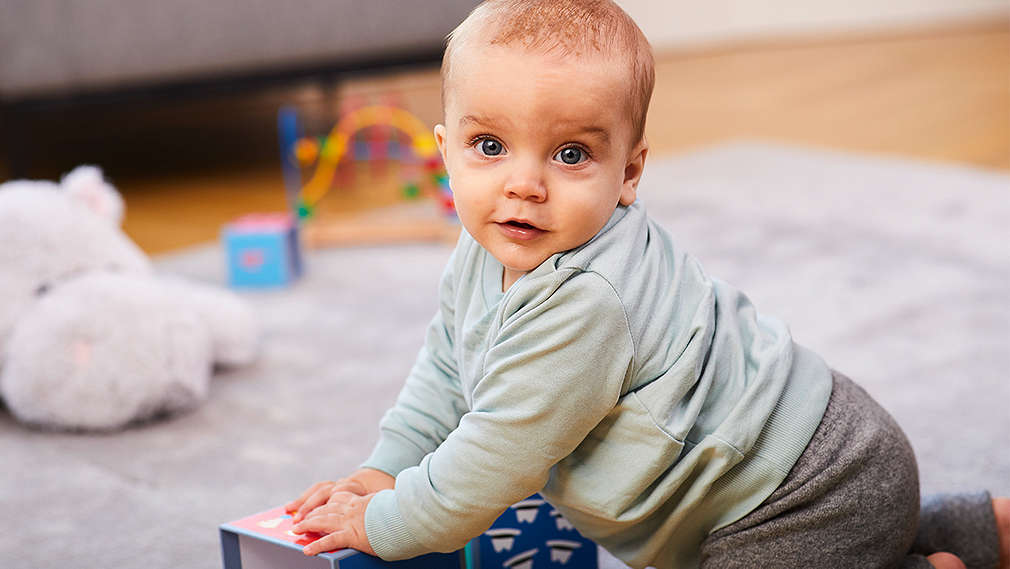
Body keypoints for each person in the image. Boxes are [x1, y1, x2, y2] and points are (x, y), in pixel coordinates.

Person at [286, 1, 1010, 567]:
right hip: (830, 476)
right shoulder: (485, 252)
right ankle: (972, 525)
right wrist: (385, 468)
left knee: (811, 545)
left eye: (570, 153)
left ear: (629, 172)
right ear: (446, 154)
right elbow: (447, 368)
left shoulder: (586, 301)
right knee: (850, 537)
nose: (523, 185)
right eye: (490, 146)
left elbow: (490, 462)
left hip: (800, 490)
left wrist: (384, 524)